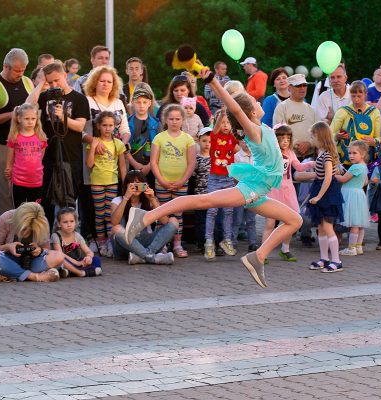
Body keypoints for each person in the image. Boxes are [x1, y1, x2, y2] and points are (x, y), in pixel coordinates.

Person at [122, 67, 303, 288]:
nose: (258, 102)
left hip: (259, 192)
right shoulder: (254, 130)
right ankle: (144, 217)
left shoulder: (261, 127)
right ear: (252, 113)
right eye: (254, 102)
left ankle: (258, 256)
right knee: (202, 201)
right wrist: (213, 82)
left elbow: (239, 109)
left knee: (295, 219)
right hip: (251, 190)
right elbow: (236, 109)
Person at [25, 62, 89, 230]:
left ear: (65, 76)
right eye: (50, 81)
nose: (54, 85)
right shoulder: (46, 96)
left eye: (56, 80)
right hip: (48, 157)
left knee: (68, 201)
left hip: (70, 156)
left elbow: (80, 126)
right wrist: (41, 84)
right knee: (46, 201)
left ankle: (68, 239)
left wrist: (62, 118)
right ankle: (46, 239)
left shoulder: (79, 99)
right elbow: (28, 106)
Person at [0, 48, 33, 217]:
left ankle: (24, 232)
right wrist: (12, 114)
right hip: (2, 145)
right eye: (17, 70)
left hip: (26, 145)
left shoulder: (27, 82)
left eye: (23, 70)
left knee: (26, 189)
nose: (20, 74)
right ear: (6, 66)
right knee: (5, 190)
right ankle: (5, 233)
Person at [263, 124, 314, 262]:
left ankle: (285, 249)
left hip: (288, 190)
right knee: (270, 222)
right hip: (273, 190)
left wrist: (312, 164)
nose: (285, 140)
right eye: (282, 137)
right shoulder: (271, 153)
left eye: (288, 138)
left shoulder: (291, 153)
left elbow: (298, 166)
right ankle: (263, 251)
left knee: (290, 220)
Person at [151, 104, 196, 258]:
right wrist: (161, 180)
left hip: (180, 185)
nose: (174, 121)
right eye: (171, 118)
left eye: (177, 118)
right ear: (165, 119)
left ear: (183, 120)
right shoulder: (159, 138)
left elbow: (191, 163)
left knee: (178, 215)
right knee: (161, 214)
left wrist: (182, 180)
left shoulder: (188, 139)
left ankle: (177, 244)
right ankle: (161, 244)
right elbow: (154, 162)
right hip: (162, 183)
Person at [0, 202, 65, 282]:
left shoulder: (42, 222)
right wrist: (8, 247)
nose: (26, 233)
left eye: (30, 230)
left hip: (32, 261)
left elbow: (46, 249)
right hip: (9, 260)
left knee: (59, 256)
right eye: (24, 229)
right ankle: (34, 276)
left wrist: (40, 250)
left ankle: (10, 273)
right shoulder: (6, 218)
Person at [110, 171, 177, 265]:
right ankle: (151, 257)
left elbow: (165, 221)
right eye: (133, 183)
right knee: (116, 228)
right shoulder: (117, 201)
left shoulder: (149, 201)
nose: (136, 186)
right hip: (125, 245)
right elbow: (114, 222)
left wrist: (152, 199)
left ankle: (143, 256)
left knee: (173, 221)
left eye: (139, 183)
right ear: (126, 185)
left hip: (146, 241)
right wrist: (126, 197)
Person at [86, 111, 127, 256]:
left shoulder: (118, 143)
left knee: (110, 214)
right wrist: (93, 147)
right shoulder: (95, 141)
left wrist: (125, 181)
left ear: (115, 126)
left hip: (112, 182)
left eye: (111, 125)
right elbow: (89, 164)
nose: (108, 128)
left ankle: (111, 241)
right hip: (97, 182)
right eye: (104, 125)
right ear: (98, 126)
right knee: (99, 213)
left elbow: (122, 165)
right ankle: (101, 241)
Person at [306, 121, 344, 273]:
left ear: (320, 136)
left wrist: (319, 196)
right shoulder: (321, 154)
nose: (311, 139)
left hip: (327, 193)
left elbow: (329, 177)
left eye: (313, 136)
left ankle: (336, 260)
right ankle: (324, 258)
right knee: (321, 228)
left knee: (328, 227)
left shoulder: (327, 155)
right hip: (321, 189)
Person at [204, 110, 238, 260]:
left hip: (228, 179)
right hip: (214, 179)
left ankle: (227, 239)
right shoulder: (214, 136)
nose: (225, 125)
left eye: (228, 122)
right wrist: (224, 110)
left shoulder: (233, 138)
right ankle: (209, 242)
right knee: (212, 211)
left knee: (229, 211)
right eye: (223, 122)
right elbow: (216, 126)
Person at [4, 103, 48, 208]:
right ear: (19, 119)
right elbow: (9, 160)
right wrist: (8, 171)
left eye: (33, 118)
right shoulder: (14, 137)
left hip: (37, 181)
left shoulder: (41, 137)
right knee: (20, 212)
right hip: (19, 182)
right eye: (26, 118)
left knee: (35, 212)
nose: (30, 121)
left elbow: (40, 158)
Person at [330, 81, 381, 167]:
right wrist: (337, 136)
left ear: (365, 94)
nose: (356, 99)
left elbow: (378, 137)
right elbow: (330, 134)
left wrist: (374, 141)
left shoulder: (375, 112)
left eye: (359, 96)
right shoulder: (343, 111)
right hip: (346, 160)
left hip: (367, 160)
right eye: (353, 96)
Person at [336, 141, 370, 256]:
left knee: (354, 224)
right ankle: (358, 247)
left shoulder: (355, 167)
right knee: (359, 223)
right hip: (359, 194)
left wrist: (333, 173)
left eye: (354, 153)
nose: (351, 155)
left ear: (363, 154)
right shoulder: (364, 167)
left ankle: (351, 249)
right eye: (350, 153)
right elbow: (365, 182)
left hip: (351, 195)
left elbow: (342, 179)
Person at [273, 74, 319, 159]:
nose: (302, 88)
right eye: (298, 85)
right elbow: (278, 131)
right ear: (289, 88)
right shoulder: (281, 107)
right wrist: (296, 145)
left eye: (304, 85)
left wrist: (309, 143)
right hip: (289, 157)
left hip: (311, 157)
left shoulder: (312, 109)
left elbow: (319, 133)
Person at [51, 207, 102, 277]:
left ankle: (72, 272)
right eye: (65, 222)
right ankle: (85, 271)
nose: (69, 225)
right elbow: (60, 255)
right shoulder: (56, 236)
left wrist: (89, 257)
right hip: (67, 262)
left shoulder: (77, 236)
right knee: (61, 261)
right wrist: (77, 263)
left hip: (79, 262)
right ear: (59, 224)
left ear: (75, 222)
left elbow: (89, 251)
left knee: (96, 259)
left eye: (71, 221)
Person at [126, 85, 159, 186]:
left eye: (145, 102)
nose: (141, 105)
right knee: (135, 193)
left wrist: (149, 166)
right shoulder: (127, 123)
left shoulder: (156, 123)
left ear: (149, 103)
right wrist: (135, 164)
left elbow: (160, 147)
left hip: (152, 166)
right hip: (133, 165)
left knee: (149, 192)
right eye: (138, 102)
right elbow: (124, 147)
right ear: (133, 103)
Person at [232, 138, 257, 251]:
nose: (246, 143)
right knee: (237, 219)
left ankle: (253, 242)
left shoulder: (256, 156)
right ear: (239, 143)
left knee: (251, 219)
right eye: (243, 141)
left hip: (253, 192)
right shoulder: (237, 156)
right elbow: (235, 175)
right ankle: (233, 242)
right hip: (241, 191)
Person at [193, 127, 211, 252]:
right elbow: (193, 176)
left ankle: (212, 241)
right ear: (199, 141)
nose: (207, 144)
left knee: (212, 219)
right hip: (200, 194)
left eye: (210, 141)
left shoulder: (215, 158)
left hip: (213, 194)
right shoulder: (196, 159)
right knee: (201, 220)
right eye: (204, 141)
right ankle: (200, 242)